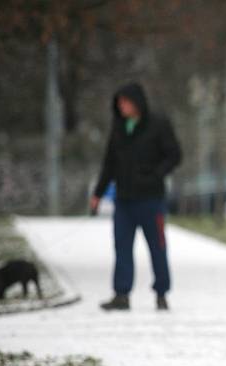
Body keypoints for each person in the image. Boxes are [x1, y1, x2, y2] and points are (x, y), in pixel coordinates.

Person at [91, 82, 182, 311]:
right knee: (122, 247)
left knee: (157, 247)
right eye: (119, 103)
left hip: (151, 200)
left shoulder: (158, 125)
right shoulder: (119, 128)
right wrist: (98, 194)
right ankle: (121, 294)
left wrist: (156, 175)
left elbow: (175, 155)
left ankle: (161, 293)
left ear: (137, 102)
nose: (122, 107)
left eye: (126, 102)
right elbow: (109, 163)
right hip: (123, 200)